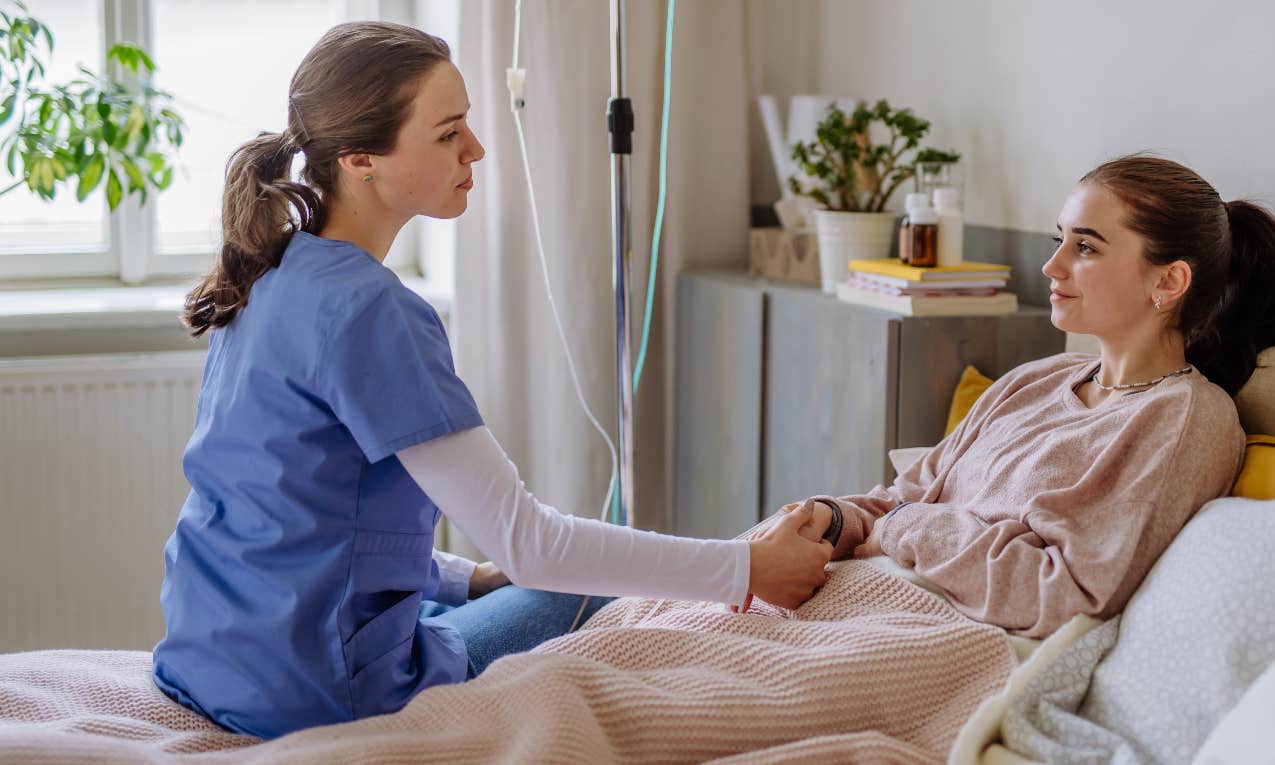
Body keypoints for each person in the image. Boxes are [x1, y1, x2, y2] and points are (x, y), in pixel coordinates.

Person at [152, 21, 832, 740]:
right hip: (319, 694)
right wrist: (746, 567)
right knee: (593, 591)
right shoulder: (373, 311)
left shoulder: (267, 274)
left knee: (508, 584)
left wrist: (465, 580)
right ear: (361, 159)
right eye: (448, 134)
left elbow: (291, 517)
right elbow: (530, 544)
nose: (475, 148)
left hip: (212, 663)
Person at [765, 154, 1275, 638]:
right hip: (853, 600)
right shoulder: (1036, 380)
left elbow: (1066, 595)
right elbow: (901, 499)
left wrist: (905, 528)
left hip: (937, 638)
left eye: (1085, 246)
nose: (1052, 266)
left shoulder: (1185, 417)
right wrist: (829, 520)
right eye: (1059, 240)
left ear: (1168, 282)